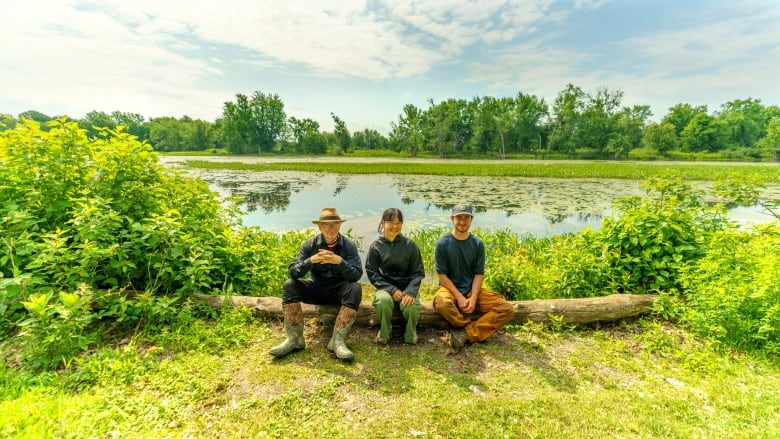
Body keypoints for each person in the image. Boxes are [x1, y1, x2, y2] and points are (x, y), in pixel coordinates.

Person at [270, 207, 363, 360]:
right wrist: (311, 261)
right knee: (289, 285)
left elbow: (356, 275)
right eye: (327, 225)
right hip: (317, 289)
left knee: (355, 288)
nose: (332, 228)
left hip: (338, 291)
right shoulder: (310, 245)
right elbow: (293, 272)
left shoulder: (349, 245)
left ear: (340, 226)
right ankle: (295, 340)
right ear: (320, 227)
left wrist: (339, 261)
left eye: (335, 224)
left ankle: (337, 342)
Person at [433, 203, 514, 349]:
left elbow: (478, 274)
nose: (462, 222)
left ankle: (465, 334)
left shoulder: (477, 244)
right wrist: (459, 297)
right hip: (449, 289)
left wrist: (473, 298)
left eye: (466, 218)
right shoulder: (442, 244)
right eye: (459, 218)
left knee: (506, 308)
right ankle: (468, 327)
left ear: (471, 220)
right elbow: (442, 275)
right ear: (452, 219)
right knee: (442, 303)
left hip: (471, 289)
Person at [365, 208, 425, 345]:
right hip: (385, 287)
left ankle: (410, 332)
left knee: (412, 305)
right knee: (383, 301)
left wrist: (410, 291)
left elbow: (418, 272)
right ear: (383, 222)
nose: (394, 226)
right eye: (391, 222)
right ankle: (385, 330)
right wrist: (391, 289)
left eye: (398, 223)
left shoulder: (410, 245)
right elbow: (372, 272)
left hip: (407, 286)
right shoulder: (376, 246)